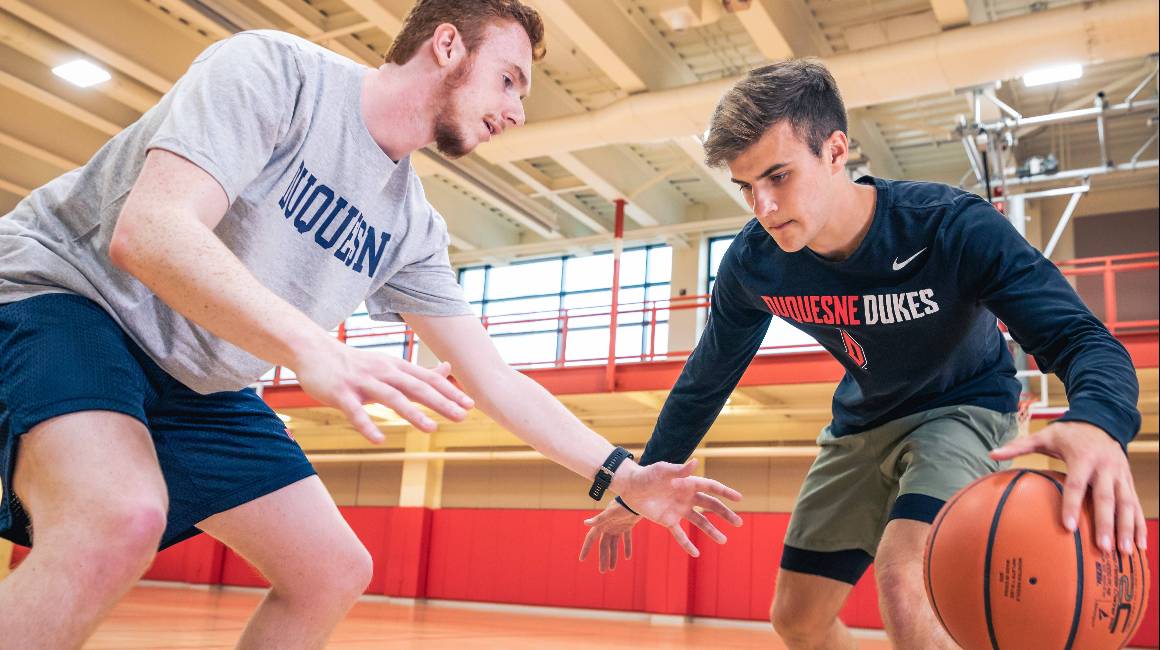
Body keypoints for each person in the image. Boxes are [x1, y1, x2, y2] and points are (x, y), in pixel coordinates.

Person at [0, 2, 742, 647]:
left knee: (332, 571)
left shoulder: (409, 224)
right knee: (120, 516)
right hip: (75, 297)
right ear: (446, 45)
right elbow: (151, 232)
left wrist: (622, 474)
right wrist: (309, 346)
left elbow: (492, 377)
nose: (517, 110)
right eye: (510, 78)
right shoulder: (275, 71)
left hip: (200, 378)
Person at [579, 59, 1145, 650]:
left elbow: (1079, 338)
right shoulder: (755, 264)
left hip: (964, 407)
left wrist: (1097, 422)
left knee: (905, 579)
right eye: (746, 187)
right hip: (860, 422)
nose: (762, 208)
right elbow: (706, 380)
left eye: (778, 176)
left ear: (835, 150)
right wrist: (640, 480)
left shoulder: (949, 228)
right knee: (796, 619)